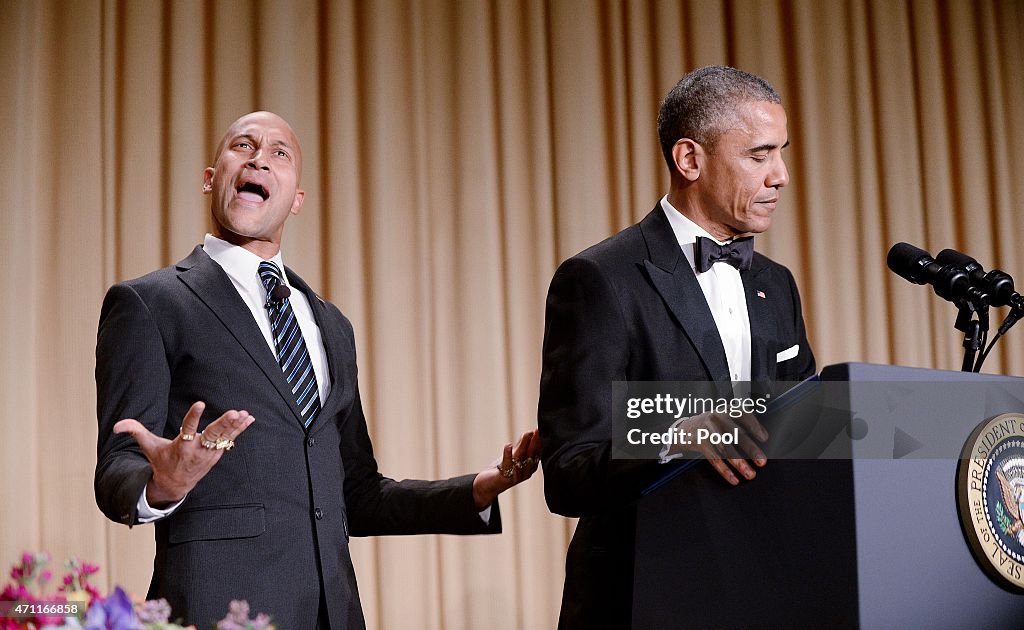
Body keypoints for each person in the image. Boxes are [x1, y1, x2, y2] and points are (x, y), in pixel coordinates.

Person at [94, 111, 540, 629]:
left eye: (279, 153)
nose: (259, 157)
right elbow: (117, 470)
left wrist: (476, 490)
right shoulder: (150, 303)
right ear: (211, 178)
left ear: (296, 199)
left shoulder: (330, 323)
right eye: (243, 145)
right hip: (218, 609)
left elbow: (359, 494)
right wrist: (162, 485)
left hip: (333, 613)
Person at [538, 66, 817, 628]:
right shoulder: (600, 279)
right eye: (760, 156)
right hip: (646, 596)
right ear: (690, 160)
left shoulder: (776, 282)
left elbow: (802, 436)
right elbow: (569, 470)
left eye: (782, 153)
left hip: (767, 588)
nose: (782, 175)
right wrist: (671, 438)